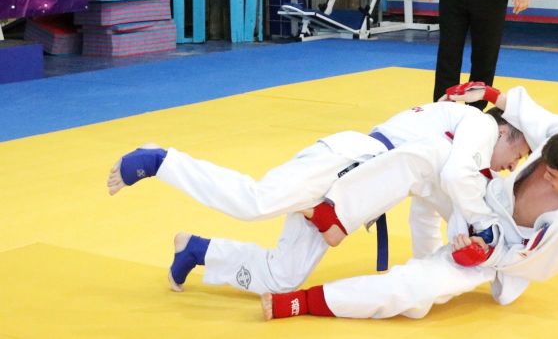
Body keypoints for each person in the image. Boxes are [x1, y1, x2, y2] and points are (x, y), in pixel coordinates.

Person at [106, 95, 533, 293]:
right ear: (506, 131)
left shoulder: (456, 154)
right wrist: (482, 224)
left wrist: (434, 271)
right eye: (518, 155)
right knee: (256, 201)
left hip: (354, 189)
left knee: (283, 277)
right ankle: (159, 160)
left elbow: (426, 214)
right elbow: (457, 179)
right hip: (344, 161)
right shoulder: (479, 126)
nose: (511, 167)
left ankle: (199, 251)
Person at [261, 86, 558, 320]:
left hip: (499, 250)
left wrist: (485, 250)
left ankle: (303, 302)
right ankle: (335, 215)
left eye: (553, 177)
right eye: (544, 167)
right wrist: (488, 93)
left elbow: (529, 262)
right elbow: (530, 114)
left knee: (415, 294)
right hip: (486, 203)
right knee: (432, 158)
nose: (542, 175)